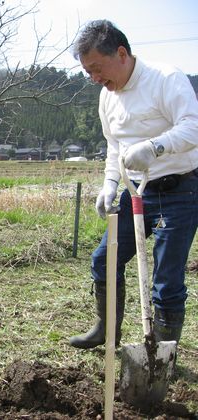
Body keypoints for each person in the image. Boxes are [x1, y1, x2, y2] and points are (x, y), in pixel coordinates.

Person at [68, 20, 198, 349]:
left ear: (121, 53)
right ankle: (106, 330)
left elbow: (193, 127)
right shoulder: (107, 98)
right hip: (136, 191)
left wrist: (155, 147)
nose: (95, 78)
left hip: (180, 189)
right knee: (103, 260)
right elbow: (114, 147)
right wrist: (110, 185)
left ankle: (161, 357)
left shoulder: (165, 79)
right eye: (88, 72)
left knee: (165, 282)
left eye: (97, 68)